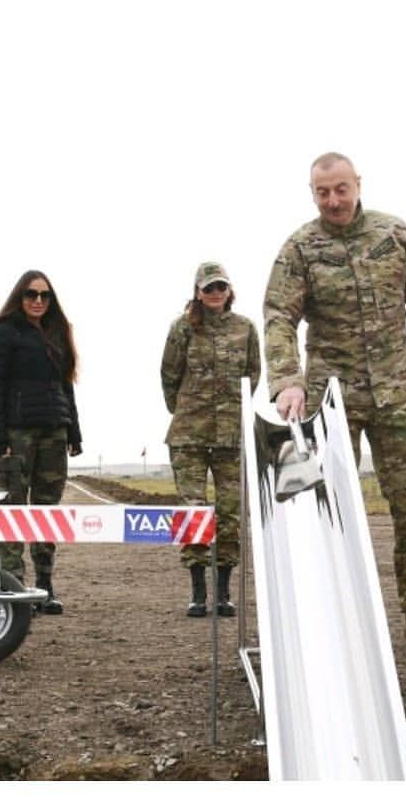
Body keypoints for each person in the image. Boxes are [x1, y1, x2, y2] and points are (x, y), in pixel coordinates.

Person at [263, 152, 406, 649]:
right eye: (322, 192)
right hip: (332, 398)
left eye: (340, 189)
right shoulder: (300, 248)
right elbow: (279, 316)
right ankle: (331, 618)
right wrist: (287, 380)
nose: (333, 200)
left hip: (397, 392)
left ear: (357, 185)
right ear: (312, 193)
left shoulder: (396, 236)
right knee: (327, 507)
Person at [161, 261, 261, 617]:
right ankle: (198, 591)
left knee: (230, 513)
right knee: (194, 512)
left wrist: (233, 412)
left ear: (229, 290)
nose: (215, 293)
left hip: (231, 438)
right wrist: (186, 411)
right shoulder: (183, 328)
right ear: (198, 292)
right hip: (188, 436)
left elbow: (252, 376)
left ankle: (223, 592)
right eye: (208, 288)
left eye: (221, 287)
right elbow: (169, 376)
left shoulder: (245, 329)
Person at [0, 269, 82, 615]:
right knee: (13, 509)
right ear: (19, 296)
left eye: (45, 295)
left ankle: (44, 586)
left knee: (46, 511)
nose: (38, 301)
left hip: (55, 432)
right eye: (31, 294)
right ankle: (14, 589)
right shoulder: (3, 332)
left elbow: (66, 385)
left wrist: (74, 431)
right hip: (17, 434)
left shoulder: (57, 331)